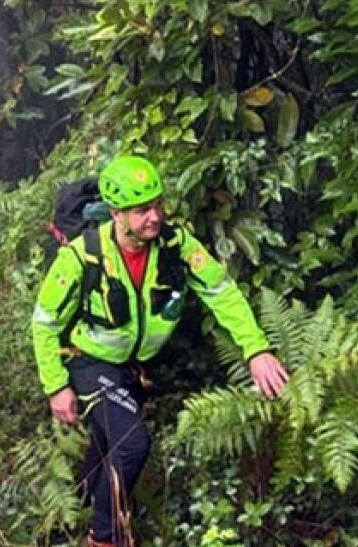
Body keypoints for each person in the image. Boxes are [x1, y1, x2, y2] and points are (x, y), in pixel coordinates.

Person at [31, 156, 290, 547]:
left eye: (157, 205)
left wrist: (256, 351)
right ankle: (104, 538)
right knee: (132, 444)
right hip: (86, 360)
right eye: (141, 210)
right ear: (116, 212)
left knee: (107, 445)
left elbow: (221, 293)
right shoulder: (82, 256)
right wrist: (56, 387)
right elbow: (45, 323)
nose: (154, 216)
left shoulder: (175, 244)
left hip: (134, 366)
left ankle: (67, 517)